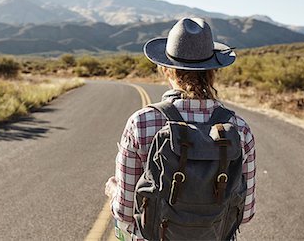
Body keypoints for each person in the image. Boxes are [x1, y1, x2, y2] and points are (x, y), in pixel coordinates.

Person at [105, 17, 256, 241]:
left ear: (166, 70)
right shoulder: (239, 129)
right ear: (213, 71)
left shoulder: (142, 122)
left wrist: (112, 191)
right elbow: (245, 213)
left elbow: (125, 211)